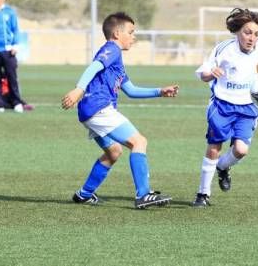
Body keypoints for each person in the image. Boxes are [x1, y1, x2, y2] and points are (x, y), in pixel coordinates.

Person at [62, 12, 179, 209]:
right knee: (139, 142)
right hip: (99, 108)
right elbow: (94, 67)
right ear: (117, 33)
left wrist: (160, 91)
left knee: (113, 152)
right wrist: (79, 89)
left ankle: (84, 194)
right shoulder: (111, 50)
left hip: (90, 111)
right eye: (131, 32)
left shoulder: (117, 62)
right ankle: (143, 195)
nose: (134, 37)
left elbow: (131, 90)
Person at [192, 8, 258, 207]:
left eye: (256, 34)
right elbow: (203, 73)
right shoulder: (224, 48)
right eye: (248, 32)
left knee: (241, 150)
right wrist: (211, 74)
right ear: (238, 31)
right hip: (222, 104)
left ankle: (223, 168)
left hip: (247, 106)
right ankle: (203, 194)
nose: (252, 38)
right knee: (214, 147)